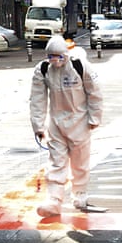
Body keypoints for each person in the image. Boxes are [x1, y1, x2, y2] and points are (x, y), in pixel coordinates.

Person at [30, 35, 103, 216]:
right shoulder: (43, 69)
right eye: (51, 56)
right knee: (56, 162)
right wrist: (38, 125)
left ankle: (80, 194)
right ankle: (54, 200)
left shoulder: (80, 66)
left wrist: (94, 118)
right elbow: (37, 99)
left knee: (80, 162)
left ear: (66, 54)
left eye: (59, 56)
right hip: (56, 123)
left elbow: (94, 93)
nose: (55, 60)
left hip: (80, 121)